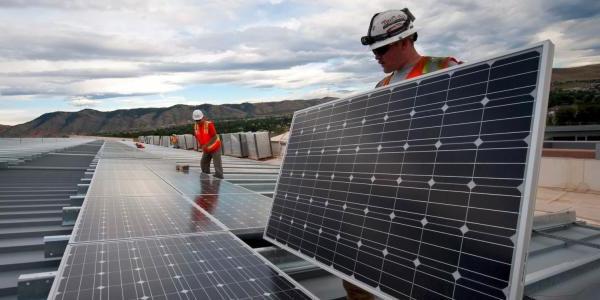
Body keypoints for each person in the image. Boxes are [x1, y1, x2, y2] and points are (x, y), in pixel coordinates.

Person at [342, 8, 462, 300]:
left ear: (405, 41)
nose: (377, 56)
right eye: (374, 50)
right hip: (392, 195)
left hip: (435, 198)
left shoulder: (446, 68)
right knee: (357, 274)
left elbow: (467, 133)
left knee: (427, 277)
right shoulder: (381, 87)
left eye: (382, 48)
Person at [192, 109, 224, 179]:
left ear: (203, 118)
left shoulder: (209, 124)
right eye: (196, 120)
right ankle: (206, 176)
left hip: (215, 147)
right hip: (206, 149)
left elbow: (214, 137)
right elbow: (198, 136)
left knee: (217, 164)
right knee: (203, 163)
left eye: (199, 120)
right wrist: (201, 145)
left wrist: (206, 144)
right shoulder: (195, 127)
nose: (198, 122)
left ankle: (219, 177)